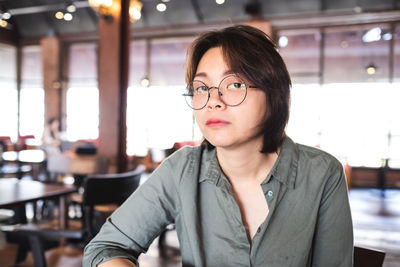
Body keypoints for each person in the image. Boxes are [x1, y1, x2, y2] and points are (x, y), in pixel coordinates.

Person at [83, 25, 353, 267]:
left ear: (274, 93)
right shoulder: (181, 170)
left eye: (234, 84)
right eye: (202, 88)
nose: (213, 100)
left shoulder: (322, 173)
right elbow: (104, 248)